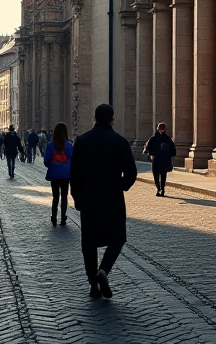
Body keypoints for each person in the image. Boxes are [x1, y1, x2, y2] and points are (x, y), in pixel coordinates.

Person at [69, 103, 137, 299]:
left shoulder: (82, 141)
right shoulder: (120, 141)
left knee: (89, 243)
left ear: (94, 119)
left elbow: (75, 174)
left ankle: (93, 284)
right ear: (112, 119)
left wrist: (77, 197)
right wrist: (121, 186)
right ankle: (104, 270)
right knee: (117, 237)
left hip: (89, 199)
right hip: (113, 198)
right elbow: (131, 172)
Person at [43, 122, 73, 226]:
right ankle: (63, 218)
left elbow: (46, 160)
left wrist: (52, 166)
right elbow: (72, 159)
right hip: (65, 174)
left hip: (54, 174)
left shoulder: (51, 145)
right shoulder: (69, 145)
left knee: (55, 197)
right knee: (64, 196)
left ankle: (54, 217)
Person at [143, 123, 176, 196]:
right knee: (156, 175)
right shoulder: (153, 138)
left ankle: (162, 189)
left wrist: (169, 156)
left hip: (164, 160)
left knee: (163, 175)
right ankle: (159, 188)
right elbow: (148, 148)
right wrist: (151, 154)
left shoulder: (168, 139)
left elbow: (173, 151)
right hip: (156, 159)